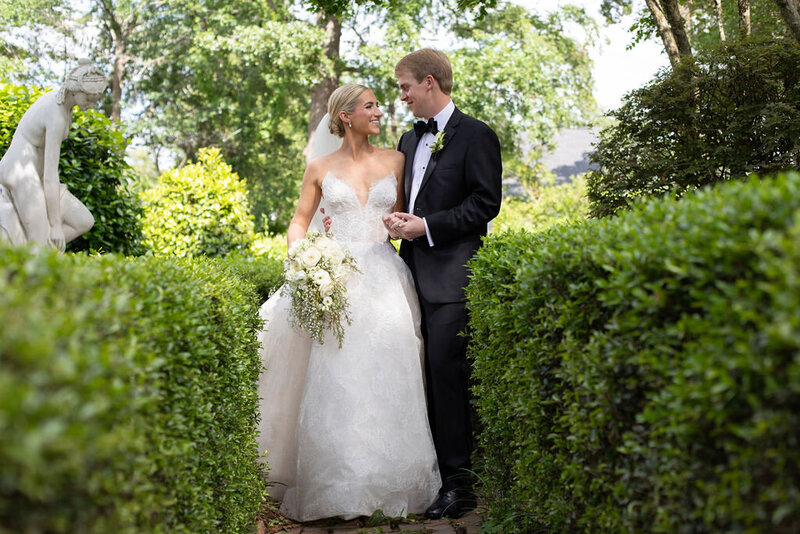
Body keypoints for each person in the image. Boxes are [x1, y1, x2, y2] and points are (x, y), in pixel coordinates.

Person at [256, 84, 441, 522]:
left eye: (378, 105)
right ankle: (338, 486)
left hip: (385, 278)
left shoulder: (396, 160)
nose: (379, 112)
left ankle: (390, 482)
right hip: (335, 279)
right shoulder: (319, 167)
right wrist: (304, 261)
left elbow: (398, 217)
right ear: (345, 115)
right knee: (338, 378)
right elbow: (299, 223)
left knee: (389, 373)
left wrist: (399, 226)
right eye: (371, 106)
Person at [384, 48, 503, 519]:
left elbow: (485, 204)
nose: (402, 96)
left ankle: (459, 485)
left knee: (445, 376)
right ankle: (424, 473)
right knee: (410, 377)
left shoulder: (477, 135)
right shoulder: (407, 141)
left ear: (429, 82)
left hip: (452, 278)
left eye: (405, 87)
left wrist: (426, 226)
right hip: (402, 274)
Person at [0, 58, 104, 251]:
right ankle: (31, 260)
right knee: (41, 241)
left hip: (35, 176)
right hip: (22, 174)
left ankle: (27, 254)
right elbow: (50, 175)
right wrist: (55, 225)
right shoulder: (55, 114)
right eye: (89, 98)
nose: (91, 104)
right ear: (74, 89)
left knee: (83, 220)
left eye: (95, 100)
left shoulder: (65, 107)